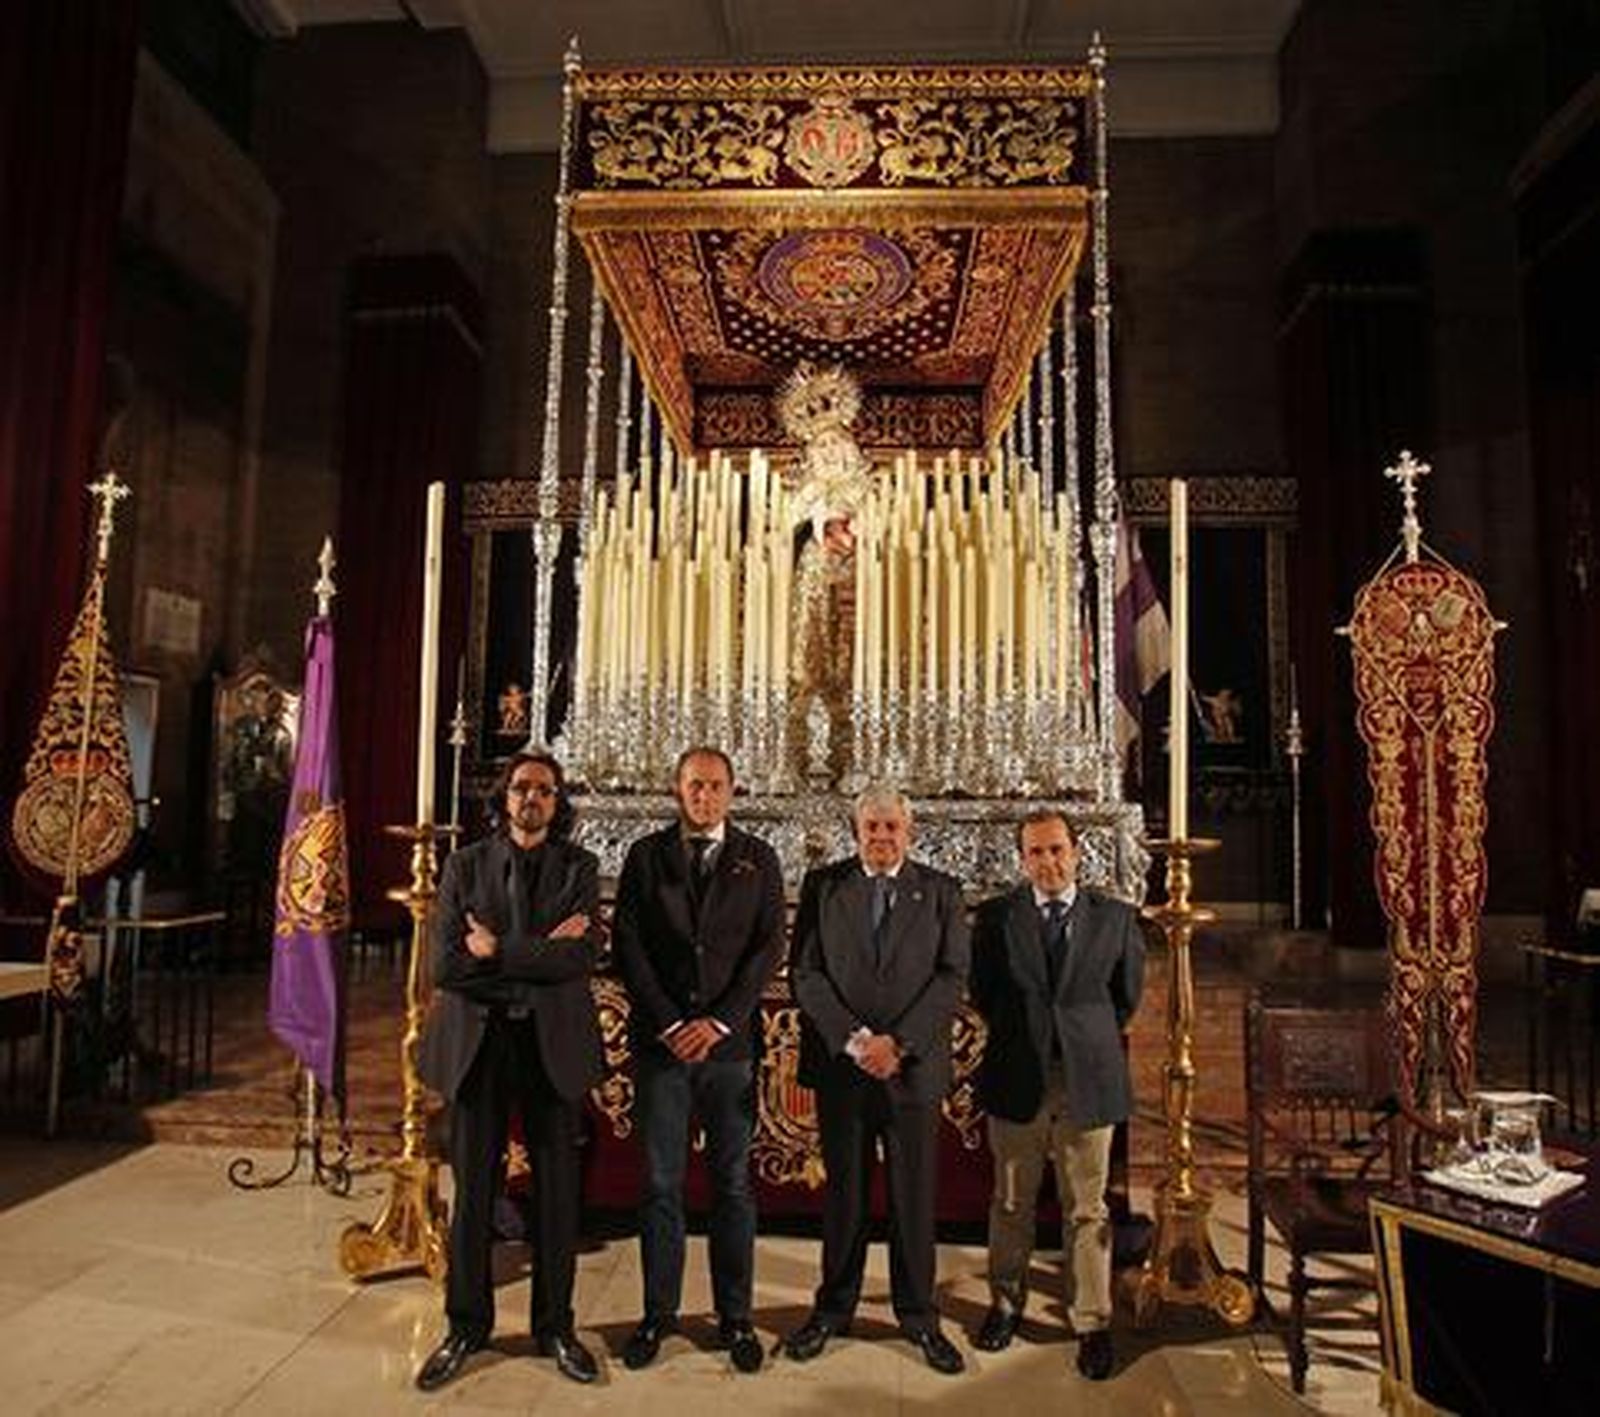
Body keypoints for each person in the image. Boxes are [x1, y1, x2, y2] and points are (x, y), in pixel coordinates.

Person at [414, 750, 603, 1391]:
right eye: (521, 788)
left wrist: (499, 950)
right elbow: (446, 967)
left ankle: (557, 1327)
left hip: (552, 1047)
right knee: (473, 1195)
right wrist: (537, 957)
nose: (532, 799)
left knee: (556, 1197)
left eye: (544, 791)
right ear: (504, 798)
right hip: (480, 1046)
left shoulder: (580, 867)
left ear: (558, 802)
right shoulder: (465, 866)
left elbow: (581, 959)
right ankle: (466, 1326)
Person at [783, 786, 970, 1375]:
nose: (882, 836)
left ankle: (919, 1316)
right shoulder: (825, 886)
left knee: (915, 1199)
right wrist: (857, 1041)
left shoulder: (941, 891)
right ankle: (833, 1309)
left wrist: (901, 1043)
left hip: (912, 1072)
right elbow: (806, 974)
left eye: (892, 826)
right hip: (846, 1071)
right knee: (845, 1198)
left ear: (908, 830)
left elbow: (951, 976)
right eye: (872, 827)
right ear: (856, 831)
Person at [611, 747, 786, 1374]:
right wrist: (670, 1021)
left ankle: (734, 1317)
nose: (704, 796)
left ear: (732, 792)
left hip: (729, 1049)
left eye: (715, 786)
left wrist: (716, 1022)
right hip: (663, 1047)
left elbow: (769, 948)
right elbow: (628, 942)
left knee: (733, 1185)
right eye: (694, 785)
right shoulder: (645, 855)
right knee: (661, 1185)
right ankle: (658, 1315)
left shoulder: (758, 858)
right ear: (677, 789)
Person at [968, 809, 1145, 1381]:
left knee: (1087, 1208)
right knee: (1013, 1201)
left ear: (1076, 852)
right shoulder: (997, 919)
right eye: (1035, 853)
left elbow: (1125, 998)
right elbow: (985, 993)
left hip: (1087, 1077)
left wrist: (1076, 1037)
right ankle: (1005, 1303)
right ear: (1023, 859)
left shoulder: (1115, 918)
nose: (1047, 862)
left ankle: (1091, 1322)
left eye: (1056, 850)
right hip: (1018, 1073)